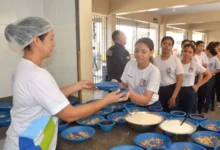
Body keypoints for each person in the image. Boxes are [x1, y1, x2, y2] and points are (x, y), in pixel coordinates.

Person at [3, 17, 129, 150]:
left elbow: (48, 97)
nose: (54, 43)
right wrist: (106, 101)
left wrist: (79, 85)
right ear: (36, 41)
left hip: (28, 141)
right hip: (27, 144)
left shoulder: (25, 67)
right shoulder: (36, 75)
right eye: (51, 38)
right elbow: (70, 114)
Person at [113, 38, 161, 106]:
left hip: (150, 106)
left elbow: (146, 100)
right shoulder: (130, 64)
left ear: (151, 52)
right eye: (136, 51)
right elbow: (124, 85)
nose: (139, 54)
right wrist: (115, 86)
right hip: (133, 102)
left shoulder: (154, 71)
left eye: (144, 52)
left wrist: (130, 94)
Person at [179, 44, 211, 113]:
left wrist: (197, 85)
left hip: (189, 90)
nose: (187, 54)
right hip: (176, 90)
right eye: (185, 51)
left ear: (193, 54)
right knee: (177, 112)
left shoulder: (195, 64)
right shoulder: (177, 62)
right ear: (182, 52)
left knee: (188, 113)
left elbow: (209, 75)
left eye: (190, 52)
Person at [154, 36, 184, 112]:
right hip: (157, 90)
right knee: (158, 113)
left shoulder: (175, 60)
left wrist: (174, 97)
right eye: (164, 43)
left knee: (171, 114)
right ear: (161, 45)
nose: (166, 46)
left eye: (169, 44)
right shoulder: (155, 60)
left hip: (171, 90)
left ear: (172, 47)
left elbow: (180, 80)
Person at [203, 44, 220, 113]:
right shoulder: (205, 58)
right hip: (203, 76)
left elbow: (218, 69)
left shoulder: (215, 59)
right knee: (203, 92)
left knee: (208, 93)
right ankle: (204, 105)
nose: (205, 51)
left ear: (208, 50)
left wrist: (211, 73)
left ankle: (207, 107)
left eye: (206, 50)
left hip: (210, 78)